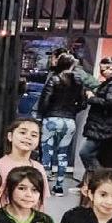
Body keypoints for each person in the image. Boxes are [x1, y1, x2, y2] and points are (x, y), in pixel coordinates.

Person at [38, 54, 85, 196]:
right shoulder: (78, 81)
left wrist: (43, 114)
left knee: (47, 152)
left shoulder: (54, 79)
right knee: (63, 154)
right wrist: (72, 111)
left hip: (51, 119)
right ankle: (59, 187)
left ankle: (43, 186)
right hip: (69, 121)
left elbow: (45, 101)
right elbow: (83, 103)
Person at [80, 57, 112, 171]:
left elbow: (110, 102)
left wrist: (92, 98)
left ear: (111, 68)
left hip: (103, 125)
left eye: (103, 70)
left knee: (86, 153)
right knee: (92, 155)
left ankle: (100, 177)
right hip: (103, 124)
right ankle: (95, 179)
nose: (101, 73)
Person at [0, 118, 48, 205]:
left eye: (34, 135)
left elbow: (42, 202)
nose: (28, 137)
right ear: (10, 136)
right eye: (22, 132)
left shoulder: (39, 168)